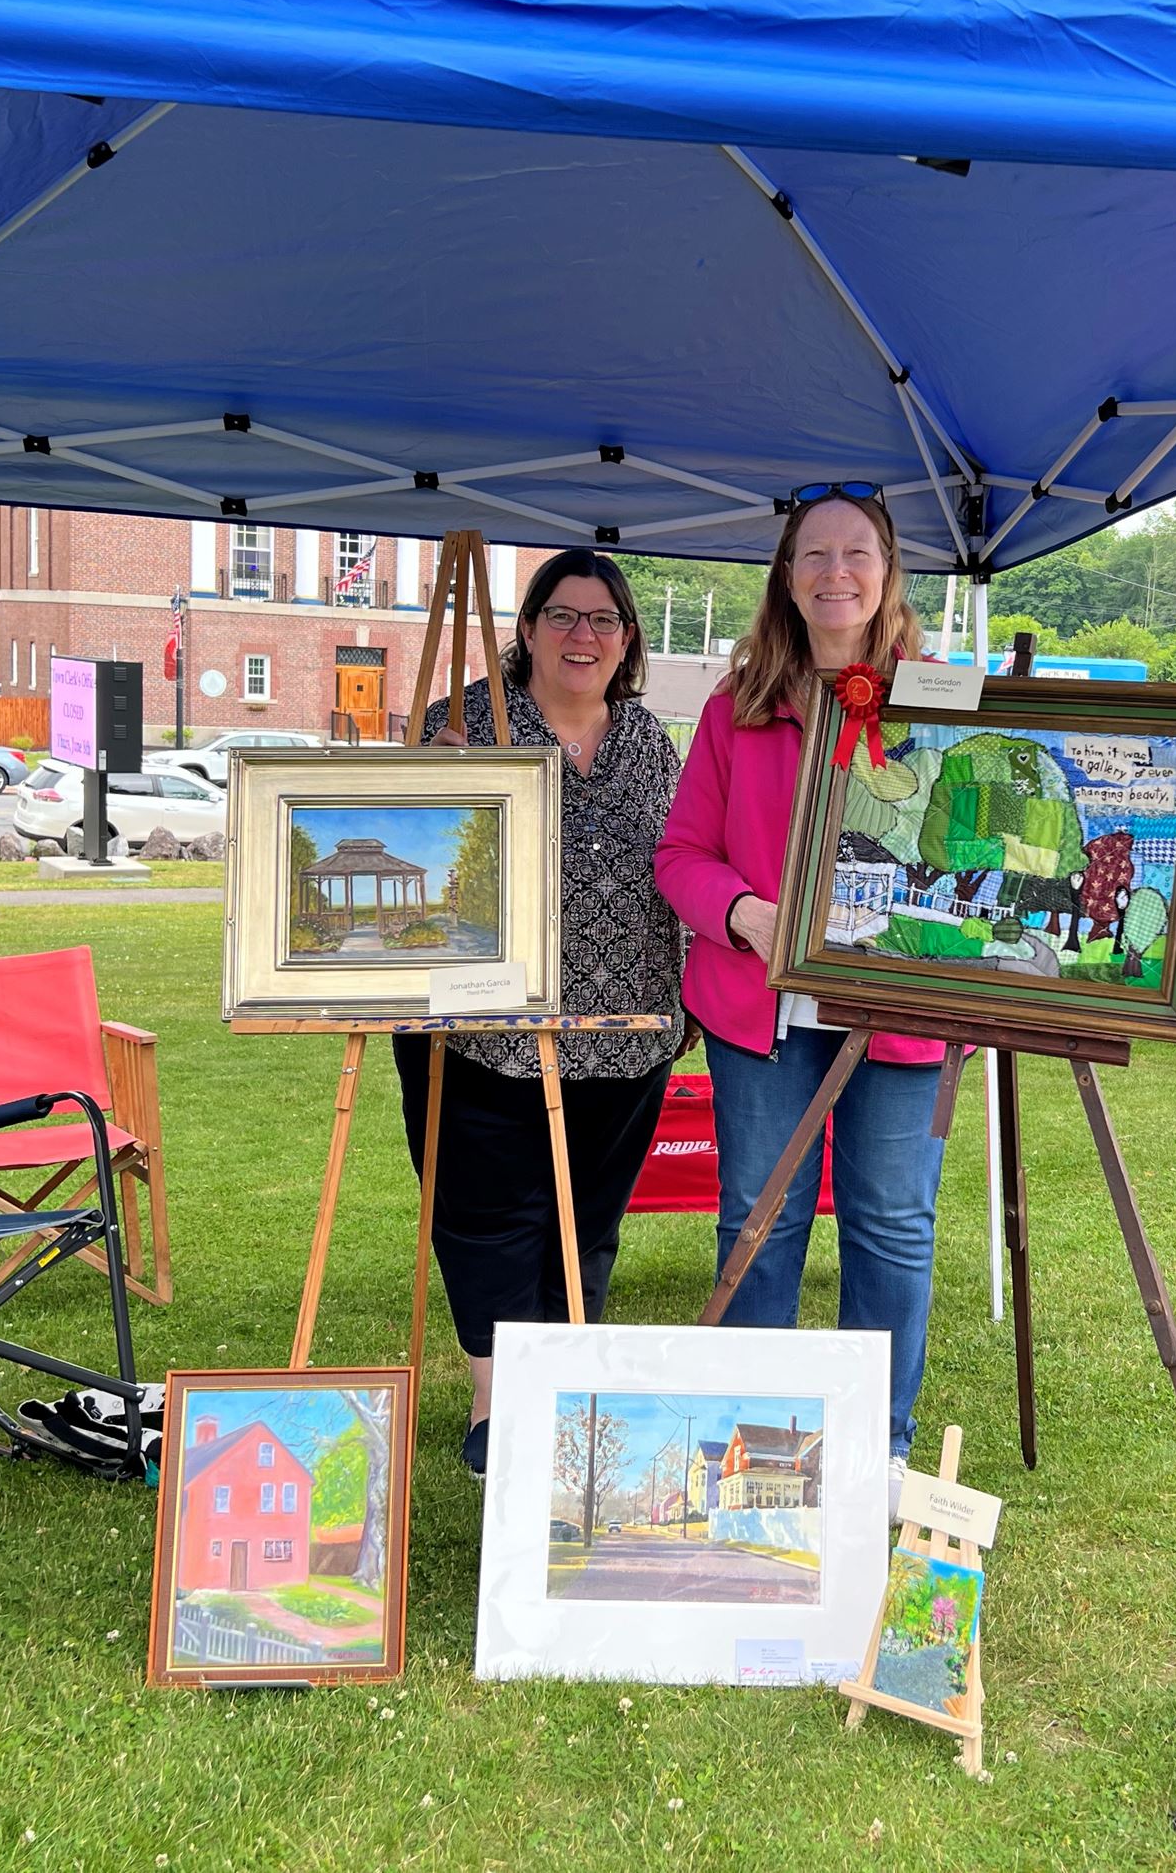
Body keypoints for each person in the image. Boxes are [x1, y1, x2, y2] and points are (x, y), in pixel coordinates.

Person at [653, 483, 946, 1511]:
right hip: (762, 1016)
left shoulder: (938, 703)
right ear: (785, 575)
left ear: (887, 571)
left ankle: (880, 1449)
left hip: (899, 1016)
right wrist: (744, 914)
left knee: (890, 1226)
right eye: (813, 555)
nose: (834, 574)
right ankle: (760, 1440)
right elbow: (680, 856)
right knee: (758, 1222)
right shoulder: (737, 705)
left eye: (854, 553)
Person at [395, 550, 683, 1477]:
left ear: (628, 638)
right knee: (485, 1213)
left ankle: (562, 1382)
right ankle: (494, 1394)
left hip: (627, 1029)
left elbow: (681, 859)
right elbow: (416, 836)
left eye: (604, 620)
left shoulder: (650, 742)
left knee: (588, 1218)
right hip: (486, 1033)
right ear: (526, 629)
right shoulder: (461, 725)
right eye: (562, 616)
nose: (582, 636)